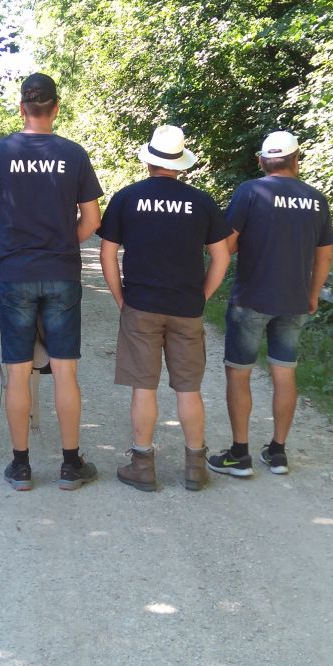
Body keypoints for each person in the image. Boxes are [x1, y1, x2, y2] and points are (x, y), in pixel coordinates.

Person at [0, 73, 103, 491]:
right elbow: (92, 220)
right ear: (56, 108)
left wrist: (13, 243)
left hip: (15, 273)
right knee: (65, 371)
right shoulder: (73, 154)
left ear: (21, 108)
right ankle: (70, 465)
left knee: (17, 370)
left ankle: (21, 467)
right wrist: (62, 242)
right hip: (61, 271)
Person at [98, 125, 231, 492]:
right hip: (186, 308)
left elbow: (107, 253)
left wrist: (120, 298)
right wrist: (202, 295)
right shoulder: (201, 202)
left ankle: (143, 465)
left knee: (144, 387)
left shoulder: (127, 198)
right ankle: (195, 467)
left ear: (148, 161)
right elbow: (221, 257)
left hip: (141, 306)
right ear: (179, 163)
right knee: (189, 389)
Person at [209, 131, 333, 478]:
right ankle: (278, 452)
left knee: (239, 372)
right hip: (295, 300)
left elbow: (227, 245)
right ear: (296, 159)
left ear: (262, 161)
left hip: (251, 297)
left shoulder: (250, 192)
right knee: (284, 371)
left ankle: (239, 454)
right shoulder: (316, 199)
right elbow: (325, 255)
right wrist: (313, 294)